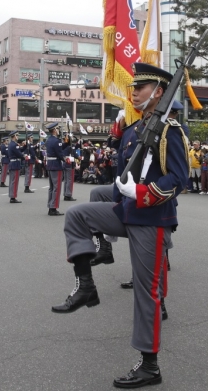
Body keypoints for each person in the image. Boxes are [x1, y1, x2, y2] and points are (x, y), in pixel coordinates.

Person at [51, 63, 189, 388]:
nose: (133, 92)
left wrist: (140, 193)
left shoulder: (170, 132)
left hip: (151, 219)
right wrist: (120, 188)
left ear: (158, 92)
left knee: (146, 294)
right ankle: (86, 286)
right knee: (77, 216)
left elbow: (179, 179)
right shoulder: (132, 129)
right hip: (127, 211)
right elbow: (120, 167)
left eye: (139, 88)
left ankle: (149, 366)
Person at [45, 122, 66, 216]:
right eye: (57, 128)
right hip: (56, 165)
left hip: (50, 164)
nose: (58, 130)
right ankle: (54, 207)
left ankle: (50, 206)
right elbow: (60, 153)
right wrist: (65, 159)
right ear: (54, 130)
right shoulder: (56, 141)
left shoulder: (49, 140)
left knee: (52, 187)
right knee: (57, 188)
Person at [7, 131, 24, 204]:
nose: (18, 137)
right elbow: (19, 153)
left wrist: (24, 146)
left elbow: (19, 150)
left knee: (12, 181)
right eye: (17, 135)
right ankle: (13, 197)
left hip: (12, 163)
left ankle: (12, 196)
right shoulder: (14, 145)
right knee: (14, 181)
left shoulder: (11, 144)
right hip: (15, 164)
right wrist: (24, 156)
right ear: (14, 136)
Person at [63, 132, 77, 202]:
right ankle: (68, 195)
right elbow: (74, 154)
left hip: (65, 164)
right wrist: (79, 157)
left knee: (66, 180)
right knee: (69, 180)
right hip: (69, 164)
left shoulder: (64, 146)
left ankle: (65, 194)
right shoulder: (70, 146)